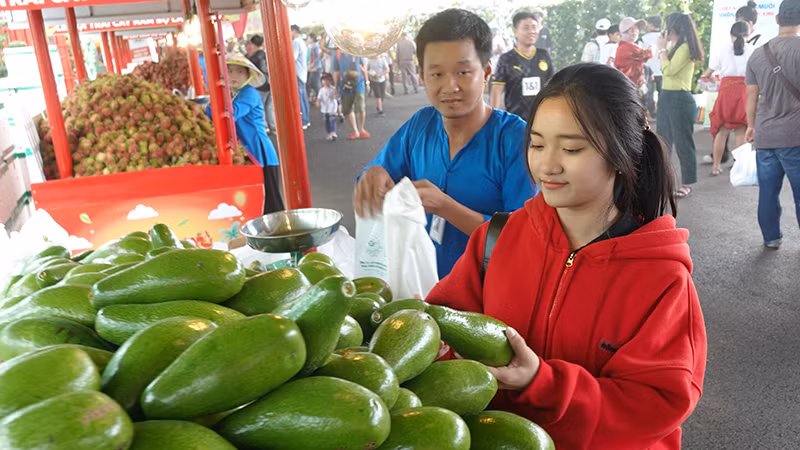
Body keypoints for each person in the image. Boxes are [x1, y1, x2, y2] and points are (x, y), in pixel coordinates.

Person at [426, 62, 706, 449]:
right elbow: (440, 322)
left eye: (572, 148)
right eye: (537, 144)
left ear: (621, 152)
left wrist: (541, 382)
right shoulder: (498, 238)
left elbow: (658, 403)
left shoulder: (661, 277)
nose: (547, 165)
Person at [353, 9, 537, 278]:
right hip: (422, 289)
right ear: (421, 75)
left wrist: (446, 207)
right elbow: (375, 176)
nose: (450, 86)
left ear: (486, 71)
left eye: (463, 72)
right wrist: (372, 175)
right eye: (436, 74)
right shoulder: (420, 126)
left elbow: (523, 239)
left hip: (487, 297)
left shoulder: (514, 139)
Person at [745, 0, 800, 250]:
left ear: (777, 20)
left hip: (765, 134)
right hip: (796, 136)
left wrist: (750, 126)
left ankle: (771, 238)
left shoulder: (758, 53)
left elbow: (751, 96)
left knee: (767, 191)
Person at [207, 55, 283, 214]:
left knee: (271, 205)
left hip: (261, 153)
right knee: (258, 204)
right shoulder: (233, 93)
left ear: (249, 75)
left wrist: (212, 102)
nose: (233, 75)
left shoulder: (249, 93)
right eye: (229, 71)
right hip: (249, 153)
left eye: (240, 72)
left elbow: (230, 113)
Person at [657, 12, 704, 198]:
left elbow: (668, 70)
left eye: (667, 26)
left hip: (680, 99)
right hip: (667, 97)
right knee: (662, 141)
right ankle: (662, 180)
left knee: (684, 143)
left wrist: (661, 50)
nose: (665, 30)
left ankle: (687, 183)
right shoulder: (674, 46)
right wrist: (663, 49)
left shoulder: (684, 48)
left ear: (674, 27)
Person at [702, 22, 754, 176]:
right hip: (744, 92)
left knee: (722, 131)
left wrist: (714, 81)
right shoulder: (752, 50)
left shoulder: (722, 50)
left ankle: (716, 167)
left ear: (731, 35)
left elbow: (707, 74)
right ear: (748, 35)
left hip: (726, 91)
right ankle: (738, 168)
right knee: (740, 132)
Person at [490, 11, 554, 118]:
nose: (532, 31)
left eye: (534, 27)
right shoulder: (506, 59)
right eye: (526, 28)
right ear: (515, 31)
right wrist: (494, 119)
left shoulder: (544, 56)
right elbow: (497, 89)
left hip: (542, 118)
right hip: (515, 121)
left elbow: (552, 86)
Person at [334, 49, 370, 140]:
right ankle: (355, 131)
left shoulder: (356, 51)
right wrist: (336, 87)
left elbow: (363, 68)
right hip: (345, 86)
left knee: (361, 107)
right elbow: (336, 72)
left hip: (358, 84)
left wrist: (367, 82)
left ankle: (361, 128)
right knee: (348, 109)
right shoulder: (338, 54)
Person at [245, 34, 276, 134]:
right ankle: (273, 126)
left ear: (253, 45)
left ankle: (264, 127)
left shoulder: (252, 59)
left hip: (259, 85)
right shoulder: (268, 54)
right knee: (269, 106)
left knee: (260, 106)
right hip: (271, 84)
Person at [615, 17, 652, 92]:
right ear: (624, 32)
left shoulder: (624, 46)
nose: (635, 32)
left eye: (636, 29)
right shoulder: (628, 46)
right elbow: (647, 54)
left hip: (627, 86)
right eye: (631, 29)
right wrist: (653, 47)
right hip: (630, 88)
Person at [640, 16, 663, 119]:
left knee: (648, 93)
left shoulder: (644, 38)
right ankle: (661, 113)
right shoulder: (664, 37)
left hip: (648, 70)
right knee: (662, 93)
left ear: (651, 25)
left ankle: (651, 114)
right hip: (662, 70)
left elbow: (640, 54)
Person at [290, 25, 311, 129]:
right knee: (303, 97)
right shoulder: (302, 41)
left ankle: (303, 121)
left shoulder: (296, 42)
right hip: (303, 73)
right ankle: (306, 119)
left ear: (294, 31)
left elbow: (292, 57)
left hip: (298, 73)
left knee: (300, 98)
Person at [317, 73, 338, 141]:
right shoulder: (321, 90)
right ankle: (329, 133)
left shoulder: (333, 89)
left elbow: (336, 96)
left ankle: (333, 132)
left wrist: (336, 94)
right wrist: (318, 102)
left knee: (332, 120)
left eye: (328, 80)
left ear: (331, 81)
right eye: (324, 80)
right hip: (325, 108)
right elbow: (319, 98)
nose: (326, 82)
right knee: (327, 121)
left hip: (332, 108)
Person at [307, 33, 322, 104]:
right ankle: (316, 98)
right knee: (312, 83)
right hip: (314, 67)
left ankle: (319, 99)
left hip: (316, 68)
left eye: (309, 38)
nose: (308, 39)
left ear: (312, 38)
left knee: (316, 84)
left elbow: (318, 57)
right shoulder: (313, 46)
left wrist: (313, 64)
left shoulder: (315, 46)